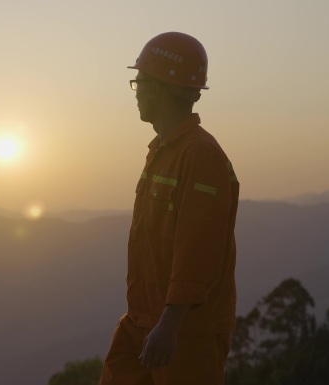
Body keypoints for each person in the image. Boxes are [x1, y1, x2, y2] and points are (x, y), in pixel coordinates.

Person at [98, 32, 240, 385]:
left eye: (139, 82)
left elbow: (198, 247)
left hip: (184, 332)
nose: (136, 92)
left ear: (159, 88)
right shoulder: (163, 150)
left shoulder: (200, 155)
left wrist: (170, 324)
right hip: (142, 321)